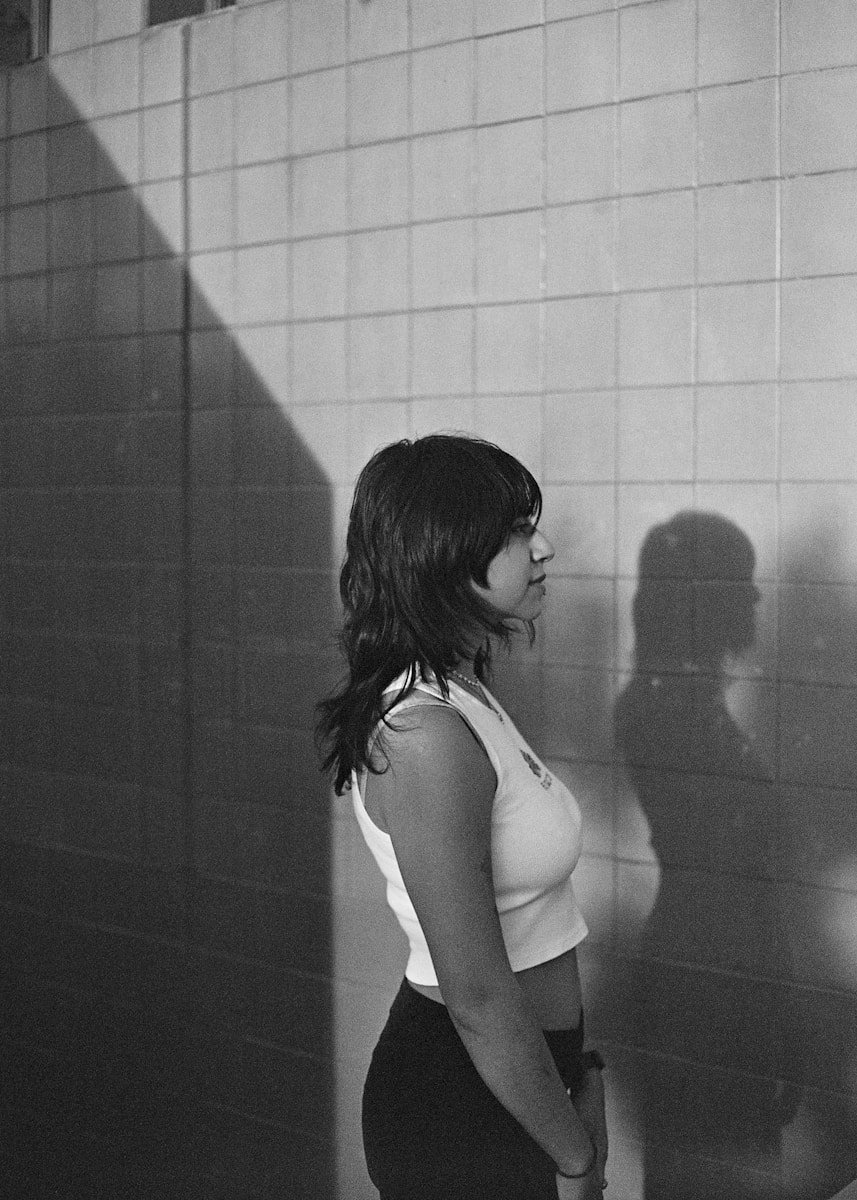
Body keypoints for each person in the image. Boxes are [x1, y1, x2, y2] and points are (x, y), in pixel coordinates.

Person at [317, 434, 608, 1199]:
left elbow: (539, 923)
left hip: (526, 1076)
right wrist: (575, 1155)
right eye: (515, 531)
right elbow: (478, 996)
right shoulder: (424, 734)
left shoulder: (462, 692)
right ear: (442, 553)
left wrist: (582, 1071)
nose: (542, 547)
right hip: (461, 1100)